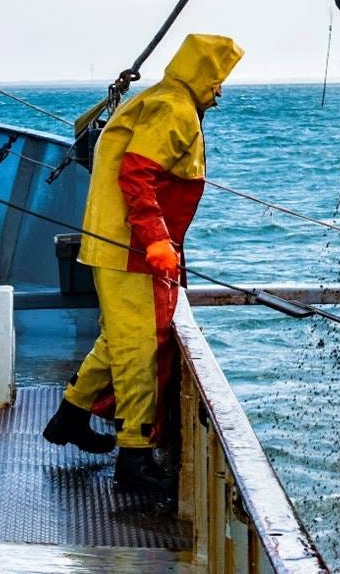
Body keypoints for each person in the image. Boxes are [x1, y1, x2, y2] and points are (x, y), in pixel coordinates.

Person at [43, 33, 244, 490]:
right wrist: (155, 239)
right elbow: (136, 173)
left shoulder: (162, 98)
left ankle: (71, 416)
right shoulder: (174, 109)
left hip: (114, 243)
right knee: (140, 347)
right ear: (203, 75)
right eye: (218, 81)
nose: (220, 92)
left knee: (120, 337)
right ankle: (134, 457)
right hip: (129, 248)